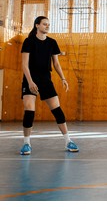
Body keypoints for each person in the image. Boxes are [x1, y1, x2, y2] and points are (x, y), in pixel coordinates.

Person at [20, 16, 79, 155]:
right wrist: (30, 82)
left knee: (57, 111)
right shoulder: (29, 41)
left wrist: (63, 78)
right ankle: (26, 144)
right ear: (37, 26)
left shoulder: (52, 42)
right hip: (30, 79)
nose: (47, 26)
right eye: (44, 24)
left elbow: (56, 64)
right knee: (29, 109)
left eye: (48, 24)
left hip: (46, 80)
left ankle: (68, 141)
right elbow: (24, 64)